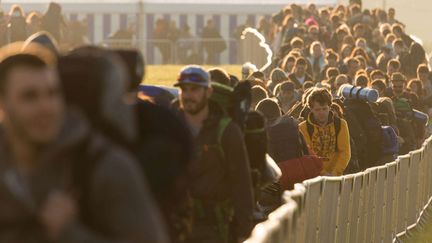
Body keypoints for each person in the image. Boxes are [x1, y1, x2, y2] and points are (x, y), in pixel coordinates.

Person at [0, 43, 169, 242]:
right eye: (30, 97)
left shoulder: (107, 167)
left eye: (52, 93)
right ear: (3, 103)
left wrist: (69, 233)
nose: (46, 107)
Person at [173, 66, 254, 243]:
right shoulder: (168, 128)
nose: (188, 95)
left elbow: (241, 182)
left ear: (208, 92)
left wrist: (244, 231)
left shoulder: (227, 131)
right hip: (175, 227)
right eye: (183, 89)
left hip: (213, 229)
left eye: (194, 89)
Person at [299, 88, 351, 176]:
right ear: (311, 109)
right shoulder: (303, 128)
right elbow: (307, 155)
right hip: (313, 177)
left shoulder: (341, 124)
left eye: (324, 109)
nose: (321, 112)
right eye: (317, 110)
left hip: (336, 176)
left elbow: (345, 152)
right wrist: (322, 173)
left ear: (330, 107)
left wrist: (334, 173)